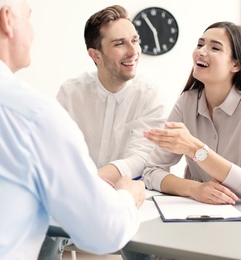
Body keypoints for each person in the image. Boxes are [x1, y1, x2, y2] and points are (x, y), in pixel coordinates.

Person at [0, 0, 146, 259]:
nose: (32, 31)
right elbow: (105, 230)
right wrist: (127, 196)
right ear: (7, 20)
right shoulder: (32, 115)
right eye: (28, 17)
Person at [143, 21, 241, 259]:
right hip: (203, 222)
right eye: (200, 44)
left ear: (236, 64)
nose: (201, 51)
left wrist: (195, 148)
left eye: (214, 47)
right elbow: (151, 171)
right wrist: (194, 188)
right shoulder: (186, 102)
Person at [38, 5, 166, 260]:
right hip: (78, 199)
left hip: (128, 196)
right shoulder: (70, 92)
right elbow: (57, 153)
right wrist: (81, 187)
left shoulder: (149, 94)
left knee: (148, 247)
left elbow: (141, 157)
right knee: (42, 226)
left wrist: (90, 182)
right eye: (120, 43)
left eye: (135, 40)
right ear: (95, 55)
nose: (133, 52)